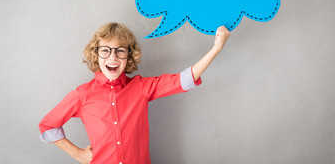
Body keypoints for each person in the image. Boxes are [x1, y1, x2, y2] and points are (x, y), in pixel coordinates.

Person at [38, 22, 230, 164]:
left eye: (120, 51)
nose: (112, 57)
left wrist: (216, 48)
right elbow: (47, 126)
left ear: (128, 55)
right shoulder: (82, 95)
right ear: (96, 54)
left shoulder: (141, 87)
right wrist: (77, 153)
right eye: (105, 50)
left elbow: (183, 80)